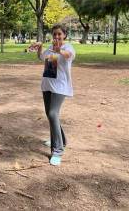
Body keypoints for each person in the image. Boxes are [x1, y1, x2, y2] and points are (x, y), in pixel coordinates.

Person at [32, 24, 75, 166]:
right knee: (51, 115)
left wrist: (60, 51)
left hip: (60, 88)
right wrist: (39, 48)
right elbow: (41, 57)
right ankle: (61, 139)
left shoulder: (68, 48)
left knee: (52, 114)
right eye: (54, 34)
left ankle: (57, 150)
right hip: (47, 86)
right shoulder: (50, 48)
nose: (56, 37)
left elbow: (69, 56)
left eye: (59, 34)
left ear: (64, 35)